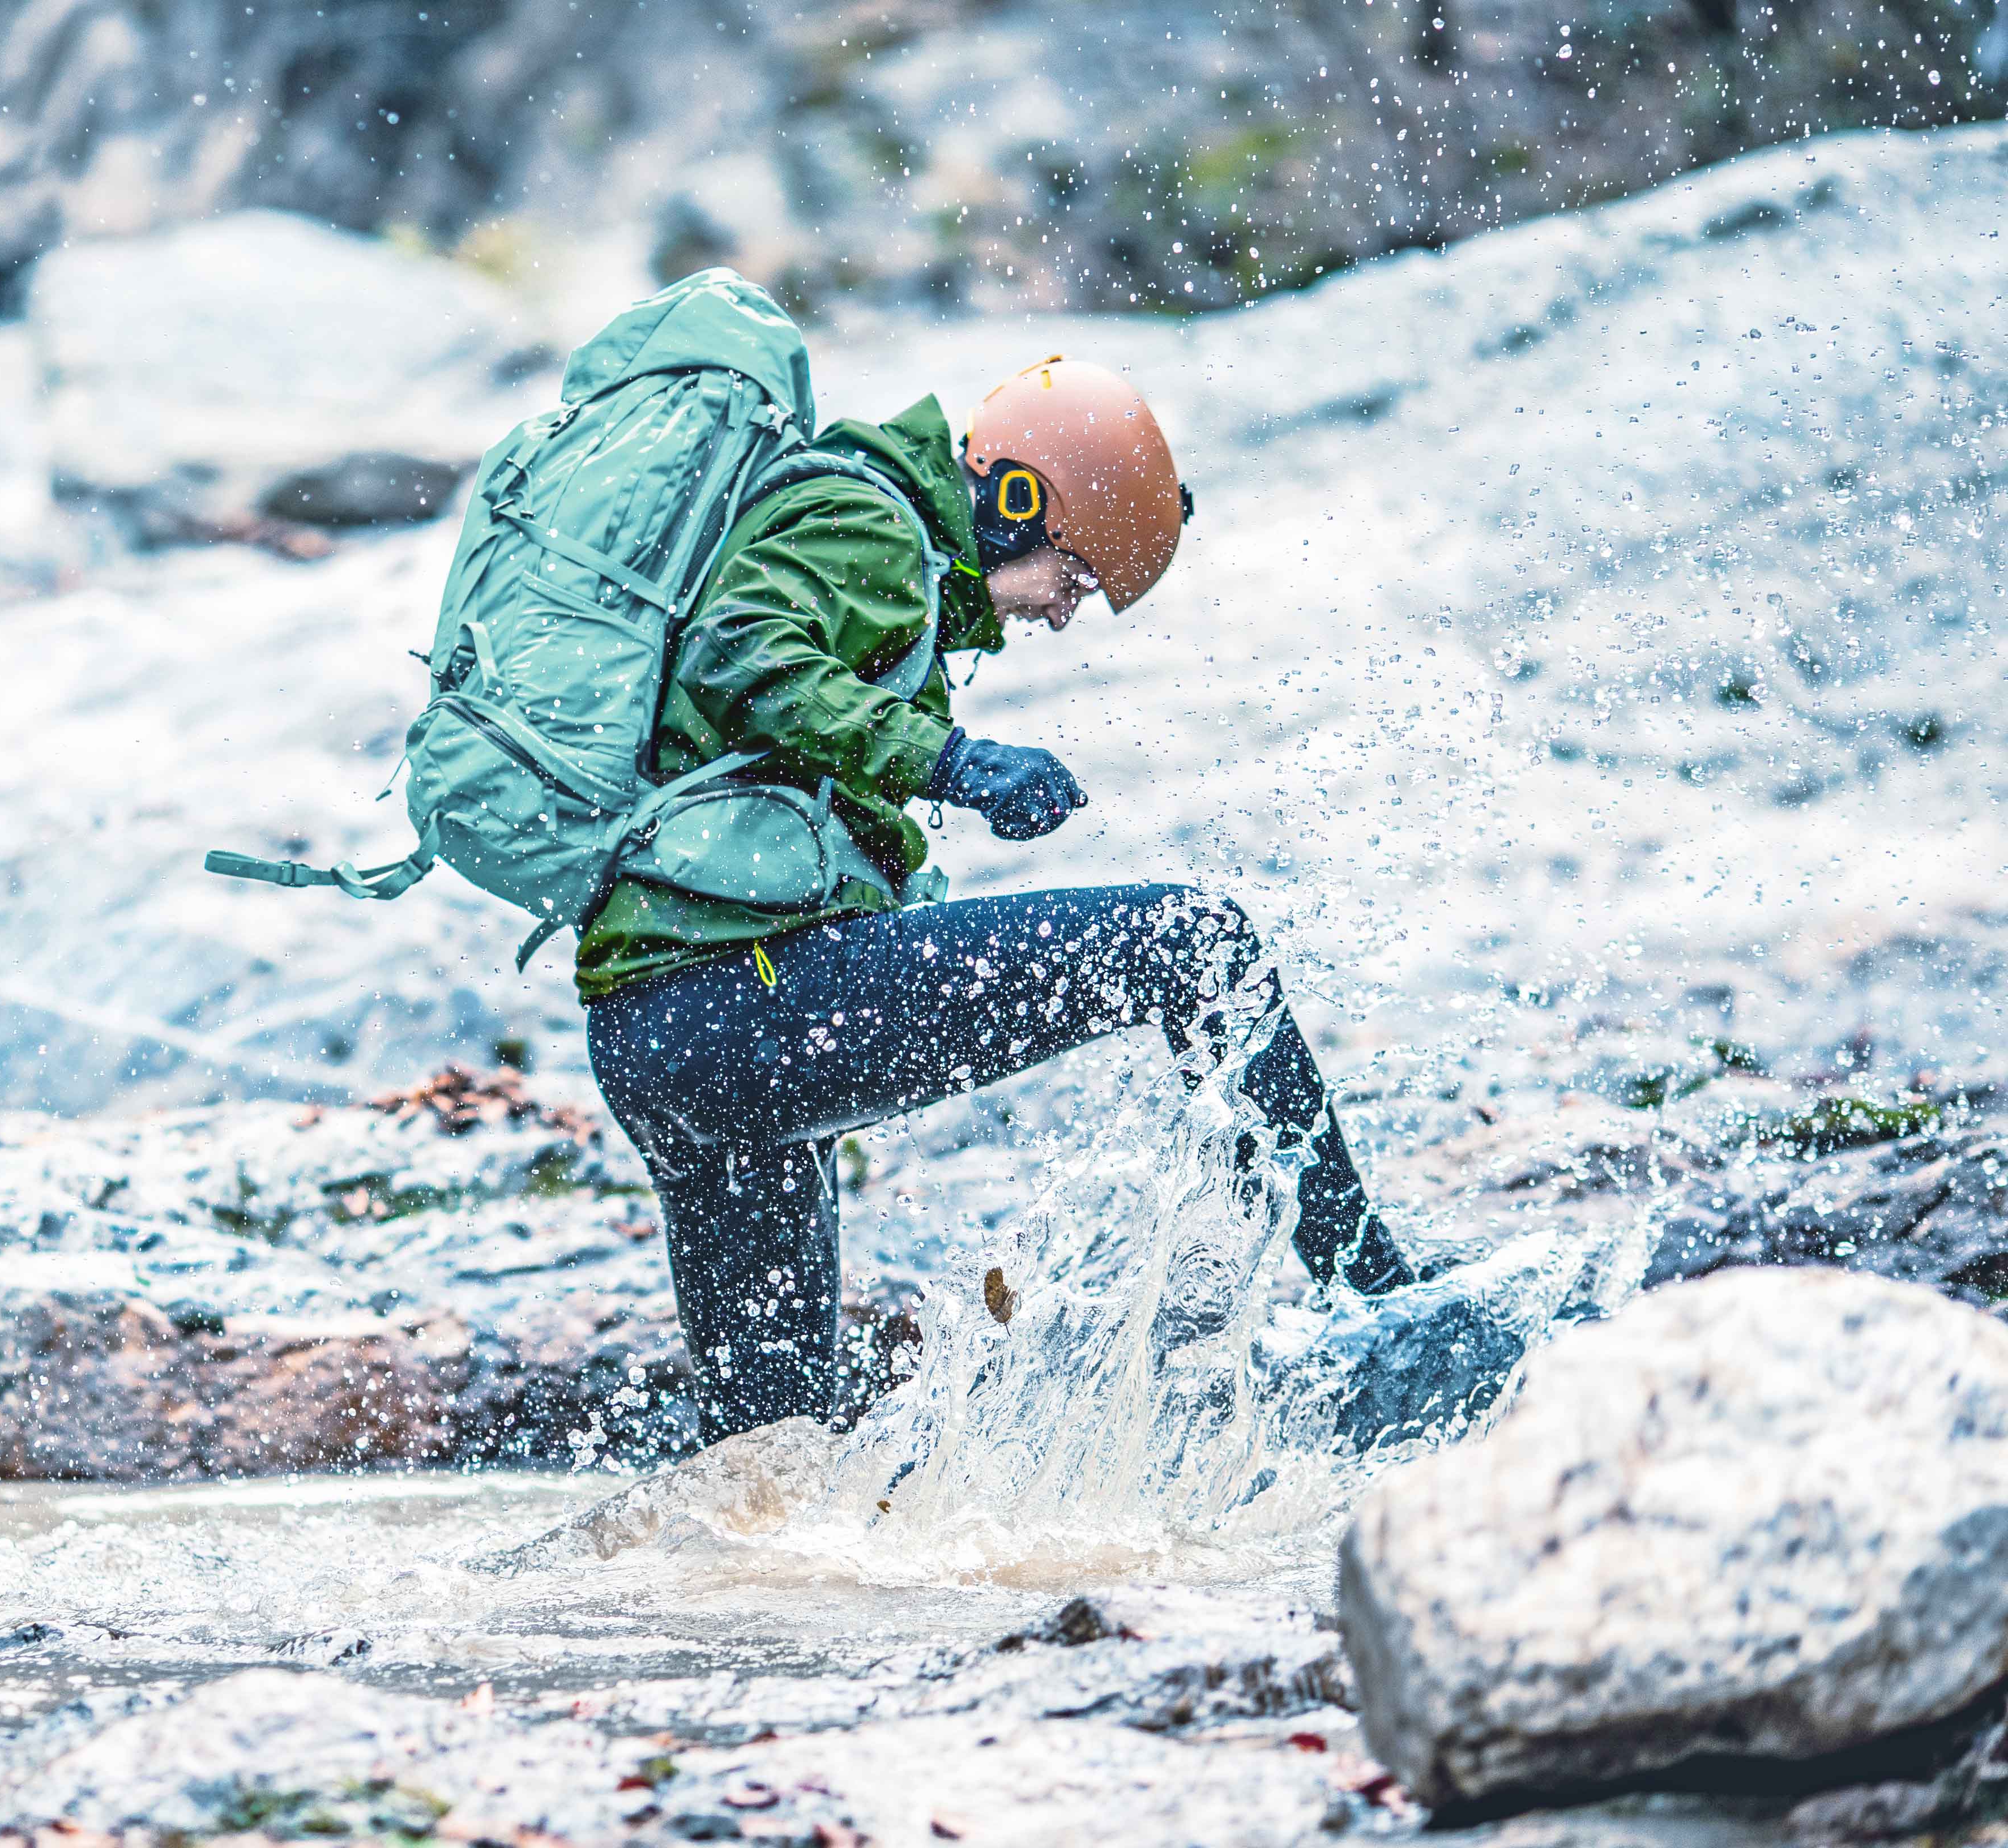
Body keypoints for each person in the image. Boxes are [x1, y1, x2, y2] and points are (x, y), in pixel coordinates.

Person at [579, 355, 1432, 1443]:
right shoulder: (863, 517)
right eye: (1072, 578)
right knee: (1191, 944)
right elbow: (743, 655)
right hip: (732, 1004)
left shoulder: (868, 538)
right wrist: (956, 762)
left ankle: (724, 1613)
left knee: (772, 1464)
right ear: (1017, 498)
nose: (1066, 616)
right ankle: (1378, 1298)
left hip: (669, 1042)